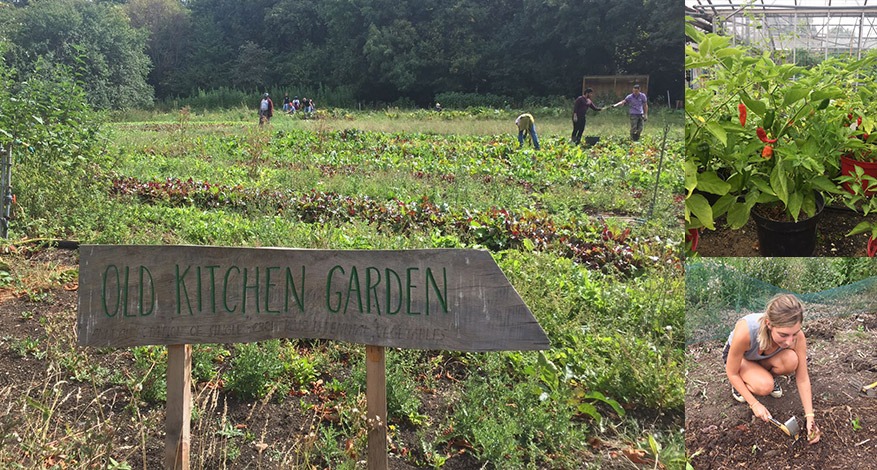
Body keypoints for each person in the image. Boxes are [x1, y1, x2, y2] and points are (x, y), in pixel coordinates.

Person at [723, 294, 821, 445]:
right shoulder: (746, 331)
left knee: (791, 360)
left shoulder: (797, 337)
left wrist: (810, 417)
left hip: (762, 358)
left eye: (794, 334)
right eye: (783, 334)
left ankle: (761, 375)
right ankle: (741, 383)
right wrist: (754, 404)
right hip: (740, 359)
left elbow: (802, 378)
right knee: (764, 387)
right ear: (769, 324)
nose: (789, 341)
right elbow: (731, 372)